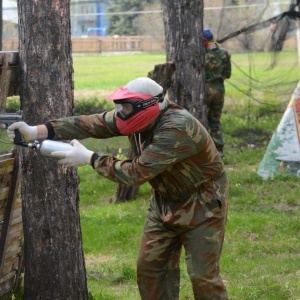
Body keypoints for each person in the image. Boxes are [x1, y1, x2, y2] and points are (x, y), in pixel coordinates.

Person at [8, 77, 229, 300]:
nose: (121, 113)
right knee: (151, 270)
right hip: (164, 200)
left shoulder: (177, 127)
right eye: (121, 107)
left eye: (126, 107)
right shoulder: (135, 115)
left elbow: (136, 173)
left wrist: (91, 158)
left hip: (203, 202)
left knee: (203, 276)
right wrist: (36, 131)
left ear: (148, 105)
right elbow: (90, 123)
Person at [203, 29, 231, 158]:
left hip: (205, 91)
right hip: (219, 90)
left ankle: (204, 150)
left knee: (201, 121)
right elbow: (227, 75)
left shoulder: (200, 55)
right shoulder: (224, 53)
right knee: (215, 121)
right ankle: (219, 150)